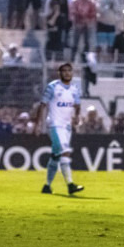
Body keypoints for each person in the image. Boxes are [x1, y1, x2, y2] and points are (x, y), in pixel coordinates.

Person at [34, 63, 84, 195]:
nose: (67, 73)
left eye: (69, 71)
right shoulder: (53, 87)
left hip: (67, 126)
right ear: (59, 73)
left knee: (56, 156)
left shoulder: (75, 89)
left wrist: (77, 116)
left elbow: (77, 105)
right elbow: (42, 105)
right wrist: (38, 124)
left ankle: (47, 186)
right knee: (65, 151)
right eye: (64, 71)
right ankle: (70, 184)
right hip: (55, 125)